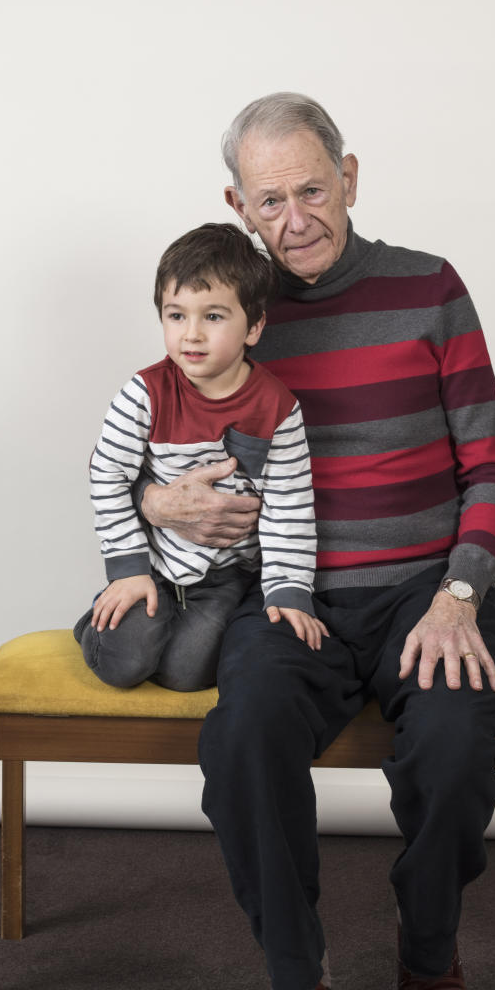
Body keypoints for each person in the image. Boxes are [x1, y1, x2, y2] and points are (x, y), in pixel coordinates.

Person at [138, 95, 495, 990]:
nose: (295, 215)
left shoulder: (430, 288)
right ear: (238, 200)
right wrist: (157, 504)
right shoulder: (235, 311)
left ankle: (428, 938)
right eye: (269, 199)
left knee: (452, 739)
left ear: (349, 177)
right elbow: (147, 452)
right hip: (287, 592)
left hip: (425, 593)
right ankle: (297, 976)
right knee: (242, 733)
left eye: (313, 188)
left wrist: (460, 593)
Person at [73, 221, 326, 693]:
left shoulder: (278, 408)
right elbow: (106, 473)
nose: (191, 334)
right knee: (128, 660)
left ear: (254, 326)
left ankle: (167, 634)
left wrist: (290, 590)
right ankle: (94, 627)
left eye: (213, 316)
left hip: (227, 578)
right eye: (176, 315)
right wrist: (128, 571)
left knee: (188, 673)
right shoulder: (143, 394)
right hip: (154, 564)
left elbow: (290, 506)